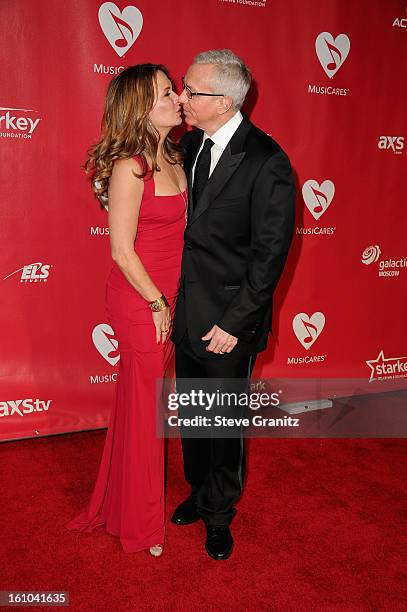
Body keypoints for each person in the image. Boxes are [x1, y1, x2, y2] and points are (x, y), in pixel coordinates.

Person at [171, 49, 296, 560]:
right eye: (182, 85)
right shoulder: (188, 144)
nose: (182, 97)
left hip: (228, 319)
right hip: (187, 310)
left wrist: (235, 322)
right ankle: (199, 493)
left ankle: (220, 514)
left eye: (191, 91)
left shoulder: (268, 160)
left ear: (223, 101)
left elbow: (270, 255)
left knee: (223, 422)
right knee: (195, 415)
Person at [65, 64, 187, 557]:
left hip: (170, 297)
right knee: (145, 417)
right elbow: (120, 249)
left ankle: (120, 504)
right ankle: (141, 528)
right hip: (142, 301)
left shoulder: (174, 155)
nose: (177, 96)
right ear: (142, 106)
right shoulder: (131, 165)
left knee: (141, 409)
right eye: (165, 92)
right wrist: (157, 302)